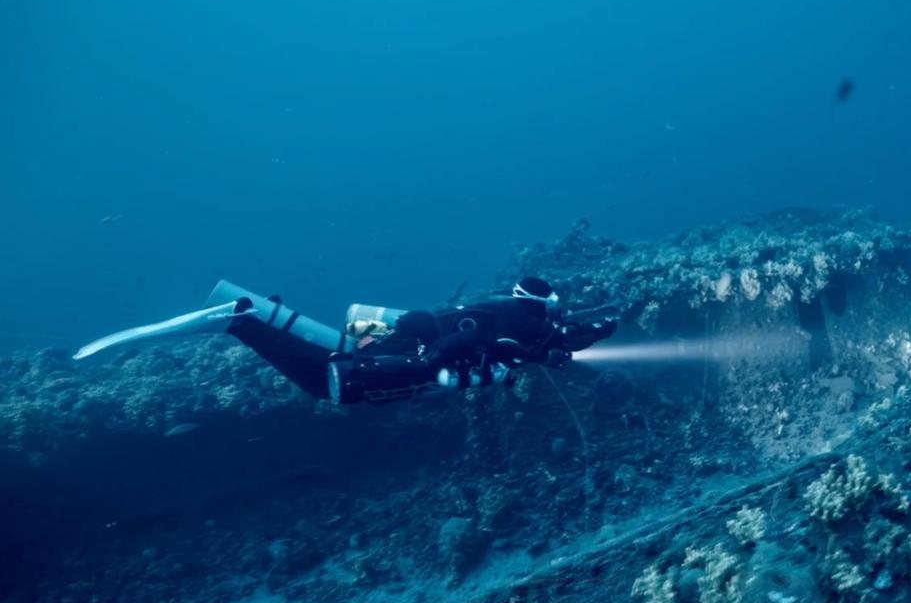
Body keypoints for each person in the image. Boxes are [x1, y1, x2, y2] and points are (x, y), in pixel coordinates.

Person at [74, 276, 617, 405]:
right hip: (411, 352)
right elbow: (471, 334)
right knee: (327, 381)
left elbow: (547, 344)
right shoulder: (506, 317)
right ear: (537, 304)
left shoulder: (517, 318)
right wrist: (431, 363)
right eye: (554, 310)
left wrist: (591, 335)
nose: (558, 317)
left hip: (405, 343)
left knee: (336, 349)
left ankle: (255, 309)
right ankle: (241, 319)